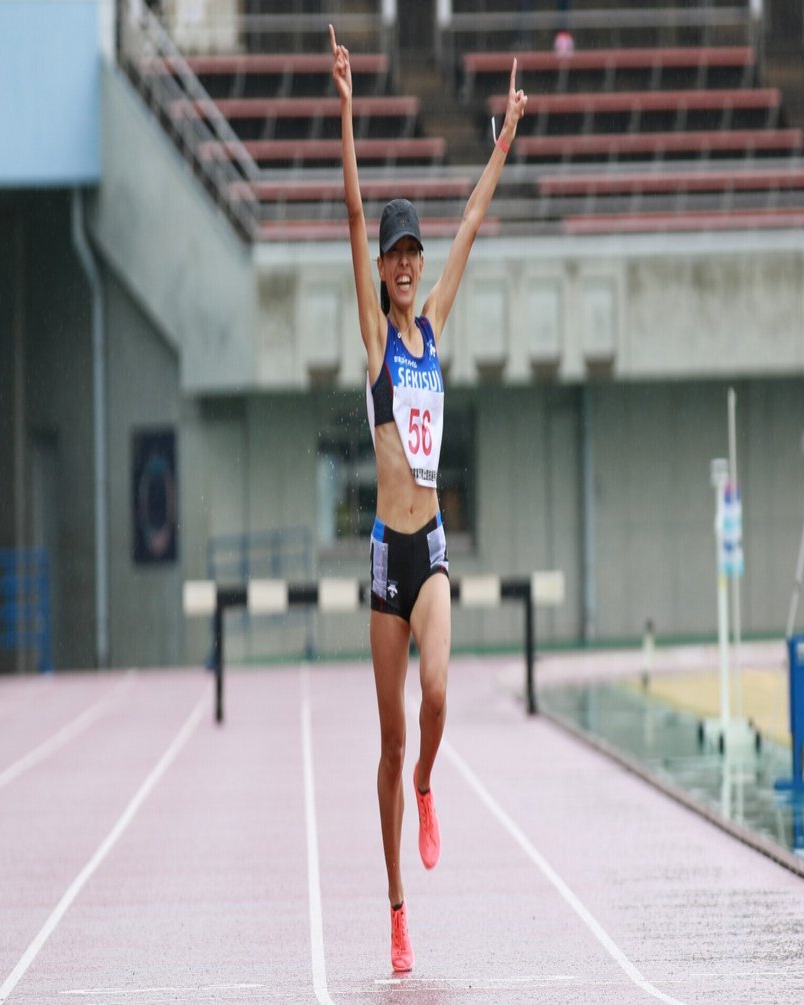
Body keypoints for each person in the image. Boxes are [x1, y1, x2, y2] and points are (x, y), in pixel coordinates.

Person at [329, 24, 526, 973]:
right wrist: (345, 111)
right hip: (384, 554)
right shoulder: (376, 342)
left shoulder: (435, 326)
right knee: (387, 730)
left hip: (433, 544)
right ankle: (397, 908)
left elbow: (474, 222)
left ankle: (428, 783)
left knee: (439, 696)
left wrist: (504, 139)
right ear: (381, 268)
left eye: (413, 251)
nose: (407, 264)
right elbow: (351, 209)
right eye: (396, 254)